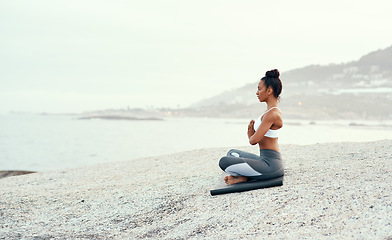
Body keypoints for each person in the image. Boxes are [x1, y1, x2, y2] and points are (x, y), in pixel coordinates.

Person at [218, 69, 284, 185]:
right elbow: (256, 139)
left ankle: (245, 176)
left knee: (224, 162)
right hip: (263, 159)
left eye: (259, 89)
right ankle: (246, 175)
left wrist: (250, 132)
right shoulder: (268, 112)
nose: (257, 93)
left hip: (271, 166)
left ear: (269, 90)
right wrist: (252, 132)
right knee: (232, 153)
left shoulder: (272, 114)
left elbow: (253, 140)